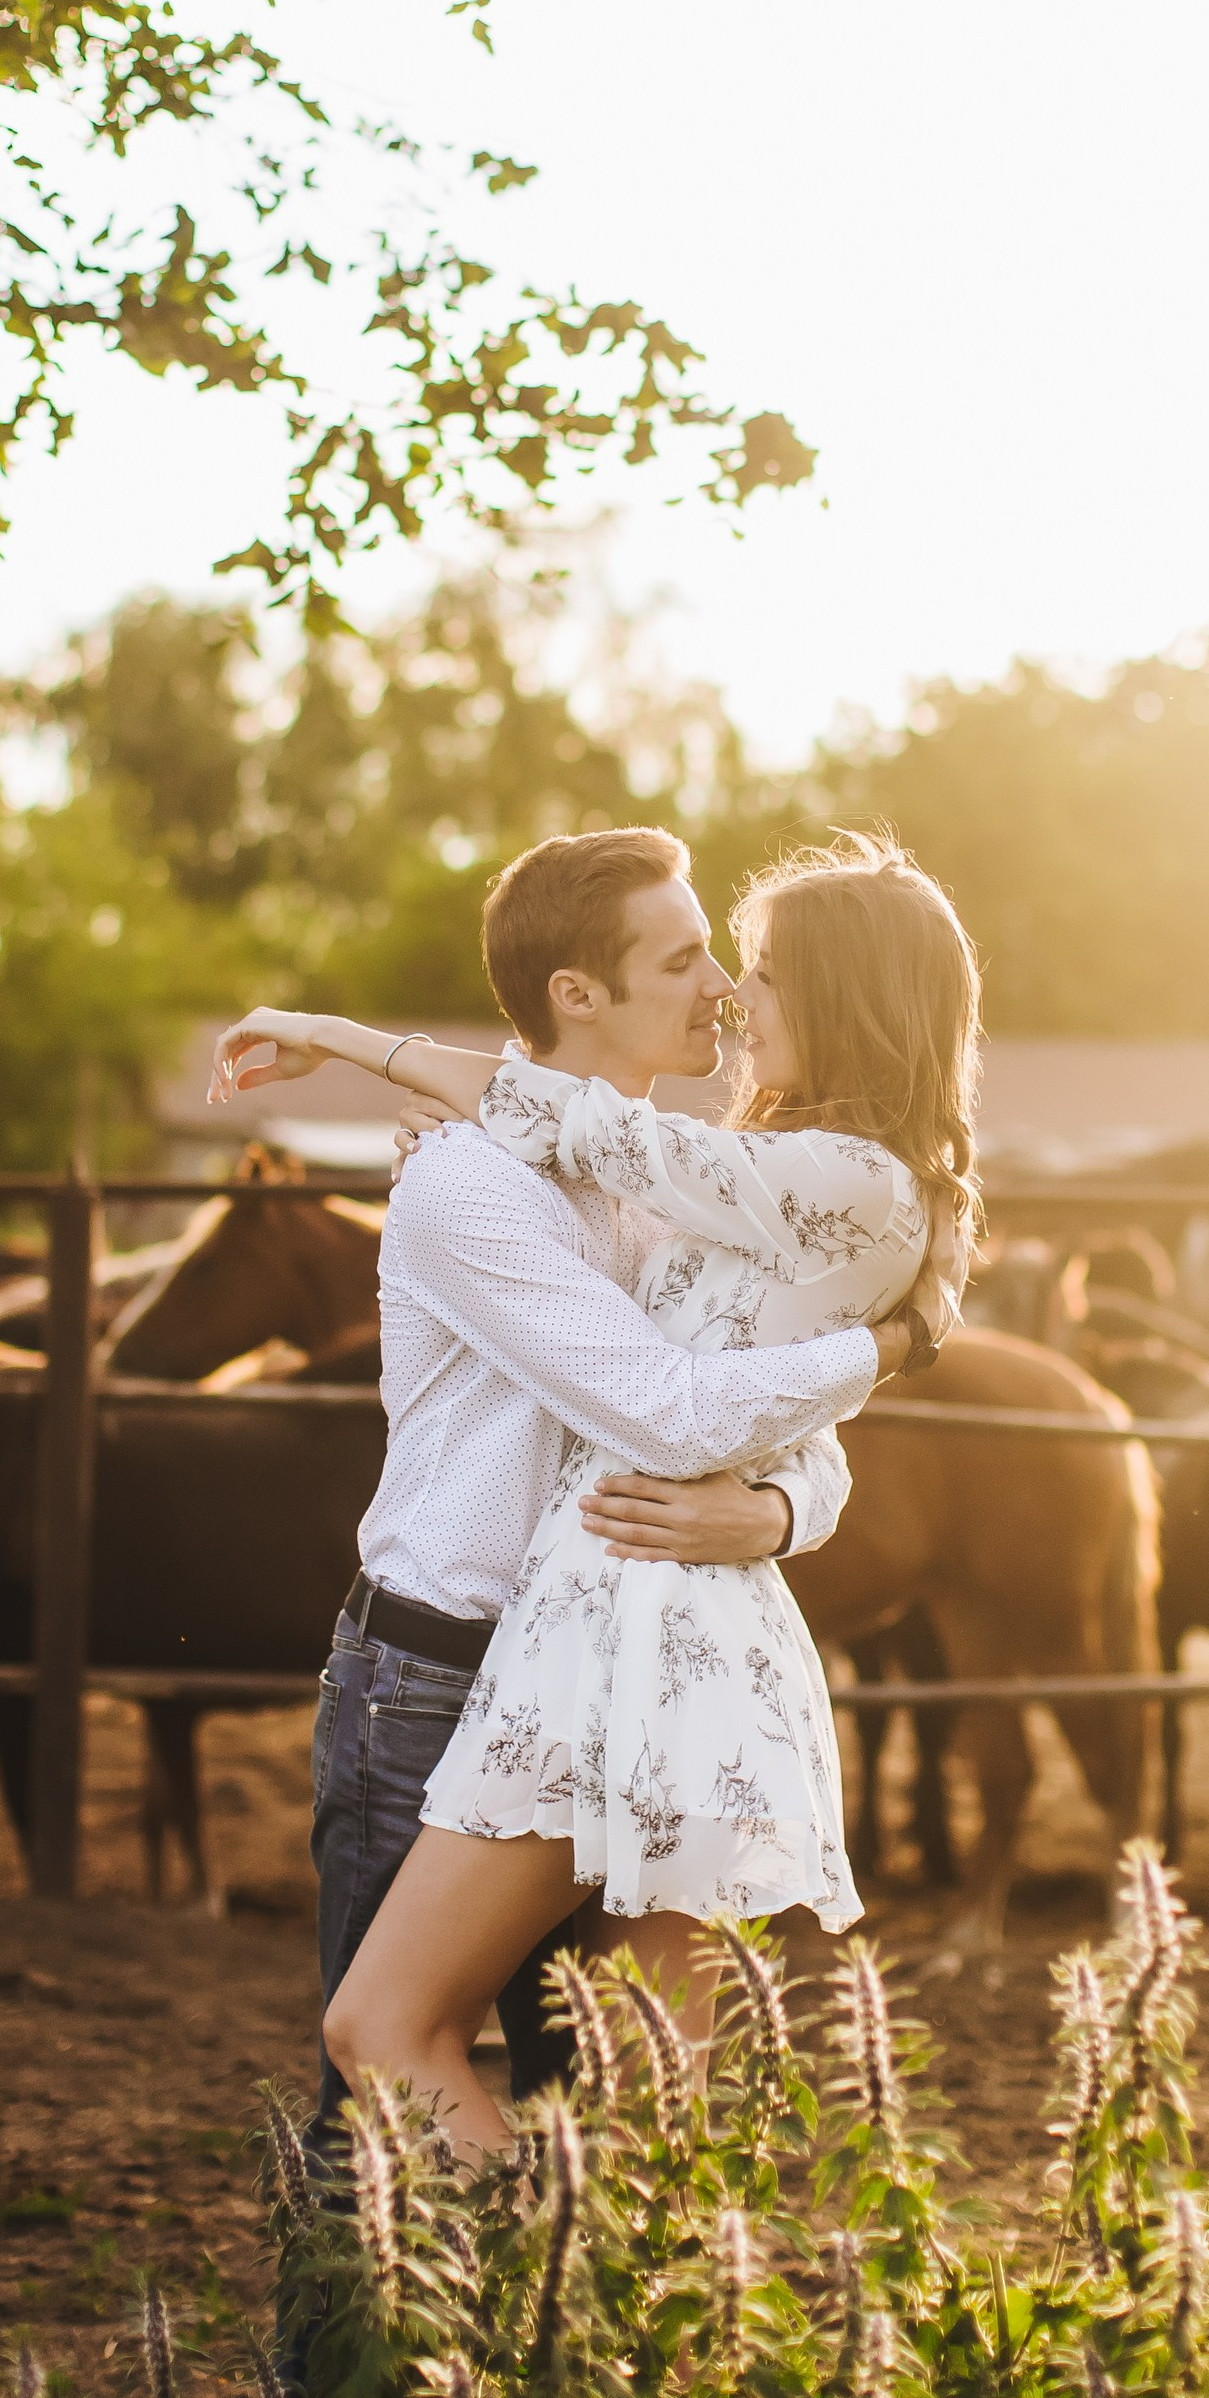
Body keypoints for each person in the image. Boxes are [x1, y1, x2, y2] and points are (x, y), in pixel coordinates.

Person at [218, 831, 979, 2159]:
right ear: (580, 993)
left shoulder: (703, 1181)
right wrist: (893, 1348)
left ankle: (564, 2333)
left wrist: (780, 1509)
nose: (728, 998)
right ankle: (450, 2346)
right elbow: (687, 1406)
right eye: (692, 962)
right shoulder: (483, 1181)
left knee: (617, 2099)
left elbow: (748, 1414)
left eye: (745, 970)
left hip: (629, 1653)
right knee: (393, 2101)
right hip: (445, 1668)